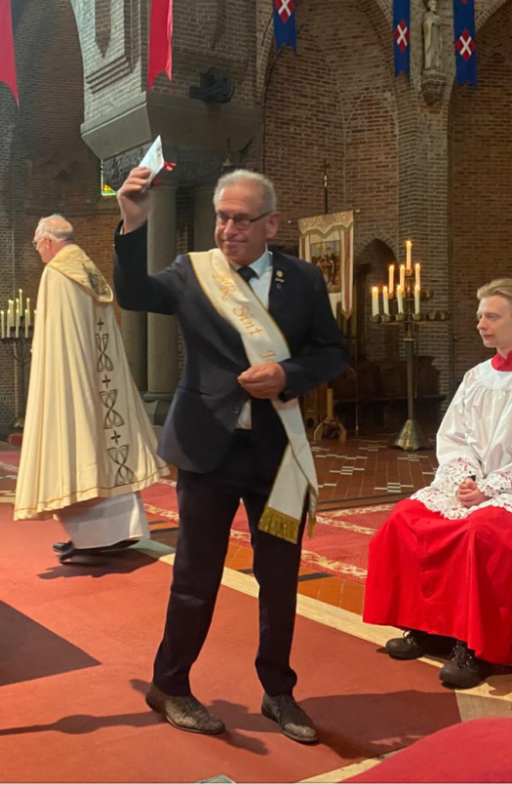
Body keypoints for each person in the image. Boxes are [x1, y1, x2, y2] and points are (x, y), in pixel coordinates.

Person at [115, 167, 347, 744]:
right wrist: (133, 222)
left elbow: (332, 353)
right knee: (195, 576)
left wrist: (288, 374)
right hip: (206, 451)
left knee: (280, 577)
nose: (228, 229)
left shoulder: (304, 279)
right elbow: (133, 295)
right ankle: (169, 684)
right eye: (222, 216)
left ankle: (278, 692)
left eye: (242, 219)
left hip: (277, 453)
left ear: (270, 222)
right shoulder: (193, 273)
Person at [363, 279, 512, 689]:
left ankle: (474, 645)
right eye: (480, 316)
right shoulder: (477, 376)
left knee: (482, 533)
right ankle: (426, 626)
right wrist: (465, 476)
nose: (481, 324)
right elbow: (455, 437)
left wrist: (493, 487)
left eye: (492, 316)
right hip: (472, 481)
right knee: (407, 518)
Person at [14, 214, 166, 563]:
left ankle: (90, 538)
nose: (37, 250)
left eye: (37, 243)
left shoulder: (56, 274)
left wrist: (46, 375)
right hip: (103, 379)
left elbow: (55, 341)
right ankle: (120, 531)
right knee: (108, 445)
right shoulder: (87, 269)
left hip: (73, 381)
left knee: (79, 445)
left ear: (49, 241)